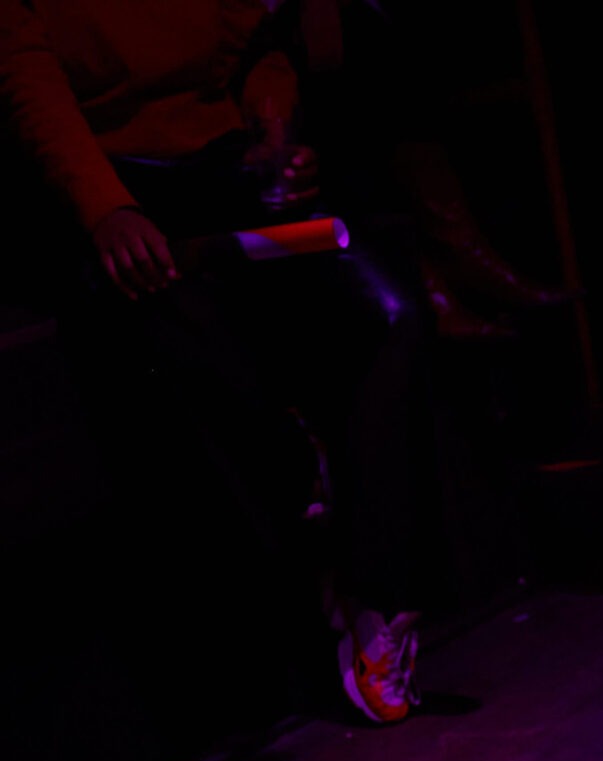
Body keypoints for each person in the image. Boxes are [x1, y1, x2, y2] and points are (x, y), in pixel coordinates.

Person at [2, 0, 435, 722]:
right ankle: (297, 516)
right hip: (109, 180)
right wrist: (106, 208)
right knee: (182, 328)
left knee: (386, 313)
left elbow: (258, 45)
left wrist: (272, 128)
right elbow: (27, 78)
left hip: (216, 165)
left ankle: (377, 594)